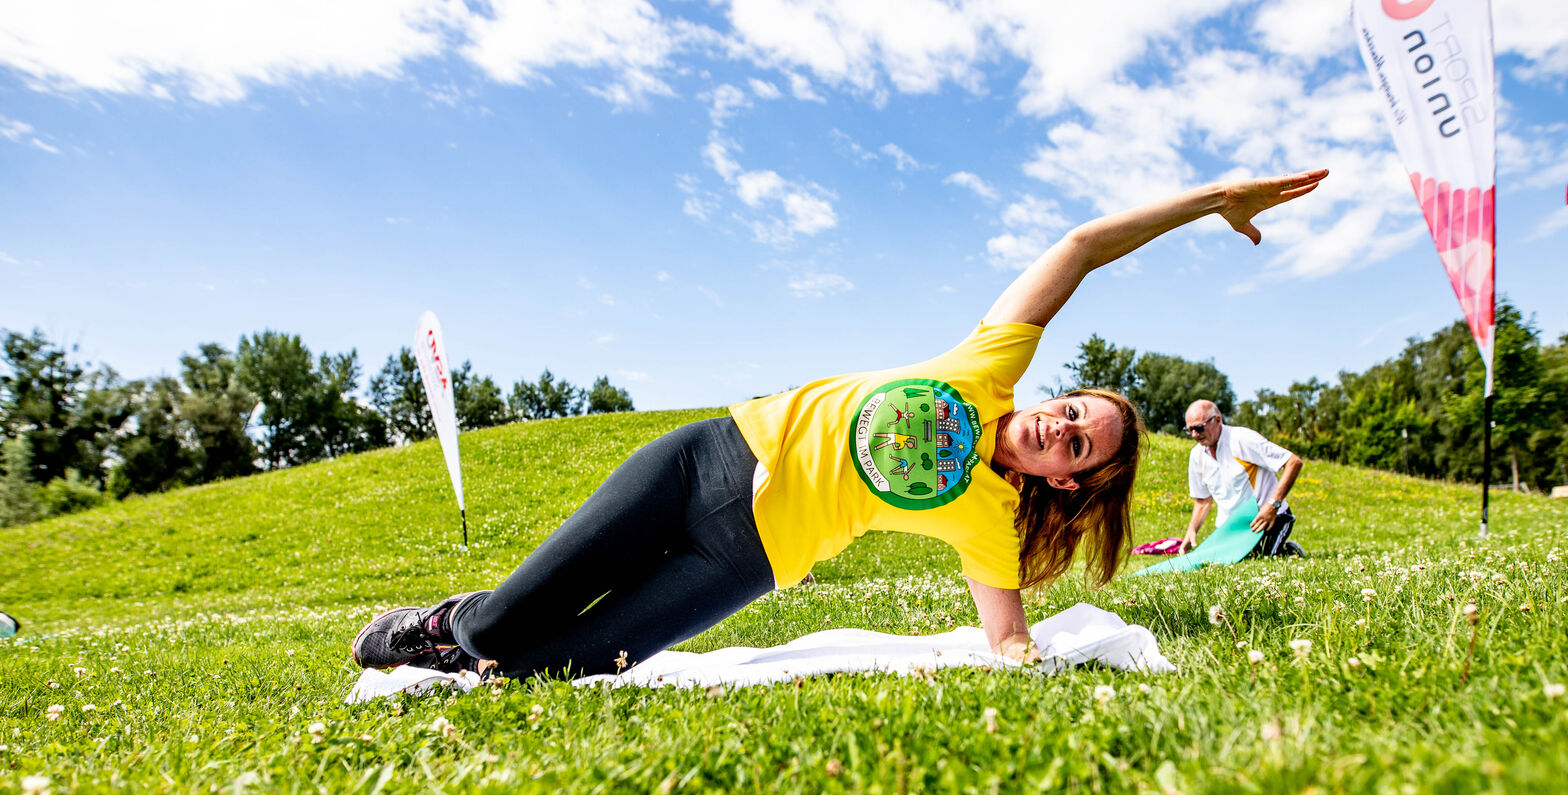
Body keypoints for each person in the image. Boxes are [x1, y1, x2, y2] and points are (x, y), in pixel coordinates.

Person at [352, 169, 1328, 680]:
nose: (1058, 429)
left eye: (1078, 445)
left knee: (556, 667)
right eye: (1070, 411)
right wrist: (1210, 201)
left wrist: (1031, 656)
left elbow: (1007, 636)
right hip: (703, 463)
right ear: (1048, 396)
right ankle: (440, 627)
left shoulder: (990, 518)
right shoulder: (990, 369)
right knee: (507, 621)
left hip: (741, 563)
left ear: (1068, 480)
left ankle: (478, 646)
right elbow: (1079, 247)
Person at [1179, 399, 1305, 558]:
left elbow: (1293, 462)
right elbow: (1203, 501)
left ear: (1217, 420)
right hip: (1234, 528)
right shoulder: (1196, 456)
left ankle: (1290, 552)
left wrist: (1273, 505)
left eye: (1199, 428)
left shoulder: (1242, 439)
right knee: (1227, 562)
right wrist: (1191, 531)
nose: (1195, 435)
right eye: (1189, 430)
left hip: (1268, 518)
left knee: (1265, 559)